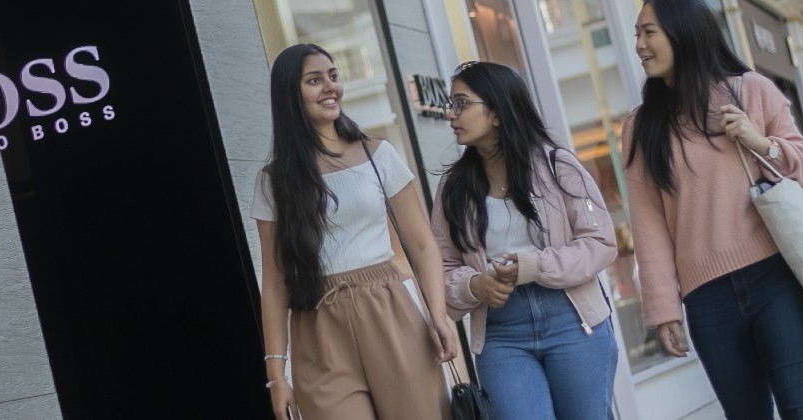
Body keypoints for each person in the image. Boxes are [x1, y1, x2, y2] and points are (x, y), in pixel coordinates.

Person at [623, 0, 803, 419]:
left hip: (776, 278)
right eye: (637, 34)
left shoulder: (751, 90)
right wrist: (663, 308)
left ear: (684, 33)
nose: (639, 44)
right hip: (706, 298)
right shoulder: (641, 127)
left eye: (649, 32)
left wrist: (760, 143)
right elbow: (649, 225)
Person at [253, 44, 458, 420]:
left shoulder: (377, 154)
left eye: (333, 76)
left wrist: (439, 315)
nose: (330, 87)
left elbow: (421, 243)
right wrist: (276, 375)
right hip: (317, 326)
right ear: (289, 94)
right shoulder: (273, 182)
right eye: (314, 80)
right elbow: (275, 281)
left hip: (389, 310)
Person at [432, 61, 620, 420]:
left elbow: (601, 242)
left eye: (461, 103)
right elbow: (441, 268)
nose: (451, 114)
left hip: (572, 320)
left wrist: (535, 266)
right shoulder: (453, 188)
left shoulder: (557, 166)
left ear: (498, 113)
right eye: (449, 105)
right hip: (502, 334)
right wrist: (474, 285)